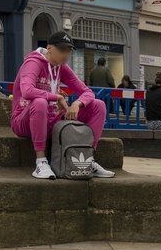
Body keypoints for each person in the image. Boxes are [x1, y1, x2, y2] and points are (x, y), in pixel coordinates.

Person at [11, 30, 115, 180]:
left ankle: (88, 159)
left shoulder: (61, 66)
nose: (65, 54)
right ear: (50, 48)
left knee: (98, 105)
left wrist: (78, 103)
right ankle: (40, 161)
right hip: (24, 120)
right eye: (61, 50)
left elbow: (87, 92)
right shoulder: (33, 63)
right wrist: (56, 97)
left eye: (68, 51)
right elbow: (27, 91)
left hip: (51, 119)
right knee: (40, 102)